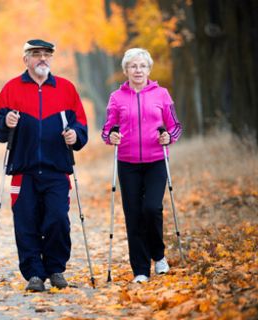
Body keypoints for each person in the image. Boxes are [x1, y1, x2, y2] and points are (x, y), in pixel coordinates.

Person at [0, 39, 89, 292]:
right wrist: (6, 121)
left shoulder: (65, 88)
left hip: (57, 169)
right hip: (24, 170)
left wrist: (75, 135)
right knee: (26, 222)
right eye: (36, 54)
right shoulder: (12, 88)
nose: (42, 58)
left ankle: (55, 269)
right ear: (26, 60)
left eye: (46, 54)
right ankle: (34, 274)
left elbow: (81, 123)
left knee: (57, 220)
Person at [101, 48, 182, 283]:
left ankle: (159, 256)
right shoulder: (117, 97)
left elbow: (175, 126)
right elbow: (107, 129)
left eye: (142, 66)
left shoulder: (162, 94)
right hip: (127, 163)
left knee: (152, 209)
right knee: (133, 214)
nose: (138, 70)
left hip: (156, 160)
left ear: (149, 69)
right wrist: (111, 137)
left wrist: (169, 137)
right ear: (126, 70)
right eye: (133, 66)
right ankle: (140, 269)